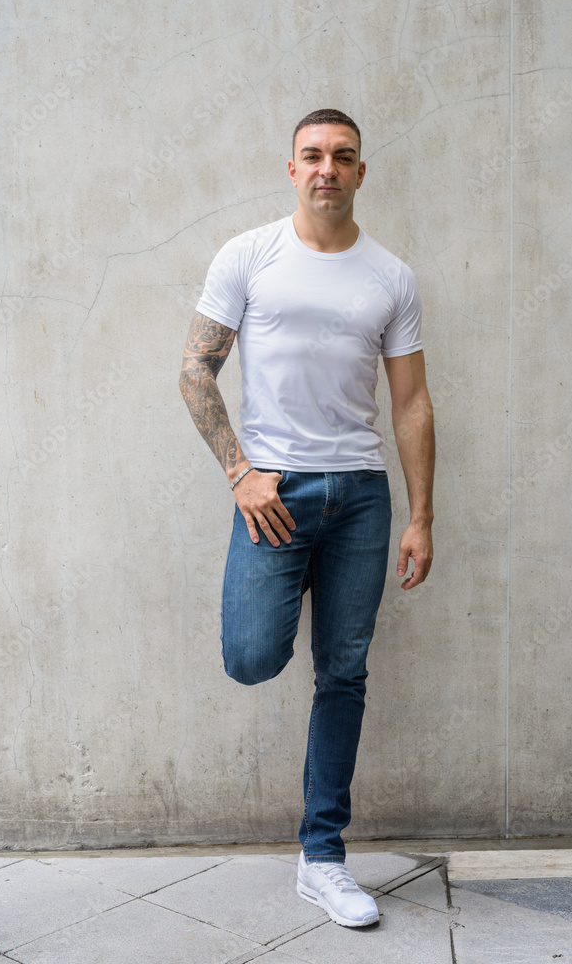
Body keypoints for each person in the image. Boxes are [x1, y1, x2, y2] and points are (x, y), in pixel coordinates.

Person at [179, 108, 435, 928]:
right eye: (313, 155)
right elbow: (194, 373)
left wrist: (421, 514)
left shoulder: (390, 276)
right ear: (291, 168)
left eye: (344, 156)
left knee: (344, 672)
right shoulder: (249, 256)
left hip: (360, 493)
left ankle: (321, 857)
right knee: (252, 657)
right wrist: (239, 473)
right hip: (274, 492)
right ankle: (319, 852)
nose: (328, 167)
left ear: (362, 172)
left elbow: (412, 403)